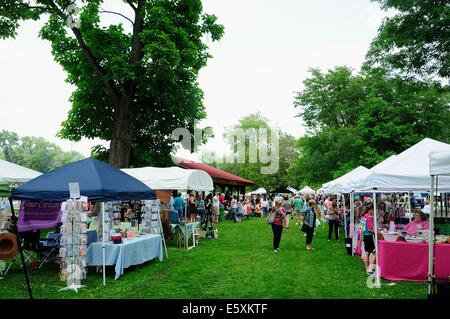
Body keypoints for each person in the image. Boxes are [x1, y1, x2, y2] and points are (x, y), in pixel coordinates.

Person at [361, 204, 376, 275]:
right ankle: (369, 268)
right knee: (373, 252)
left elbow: (363, 227)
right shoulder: (369, 217)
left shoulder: (364, 216)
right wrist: (378, 232)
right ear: (371, 210)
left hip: (365, 235)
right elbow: (370, 229)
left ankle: (367, 268)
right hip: (369, 236)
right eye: (373, 210)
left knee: (367, 252)